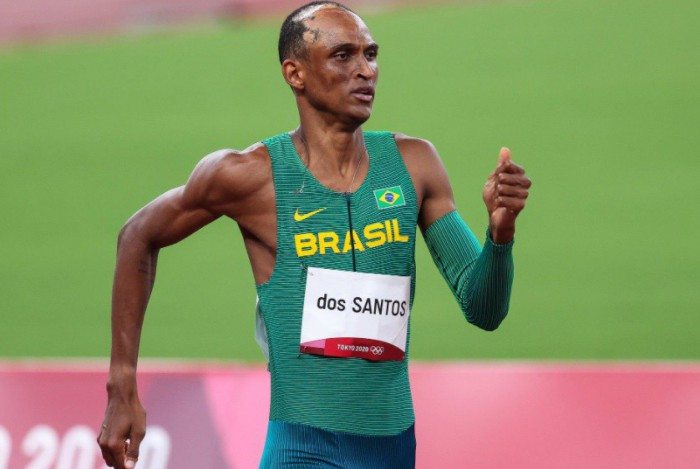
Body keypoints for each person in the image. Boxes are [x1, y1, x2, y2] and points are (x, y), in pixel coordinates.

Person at [97, 1, 532, 468]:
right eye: (343, 55)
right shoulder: (249, 176)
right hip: (303, 449)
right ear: (295, 73)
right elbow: (137, 236)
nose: (365, 70)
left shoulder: (413, 165)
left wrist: (500, 233)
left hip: (393, 449)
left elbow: (484, 309)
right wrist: (122, 384)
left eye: (370, 54)